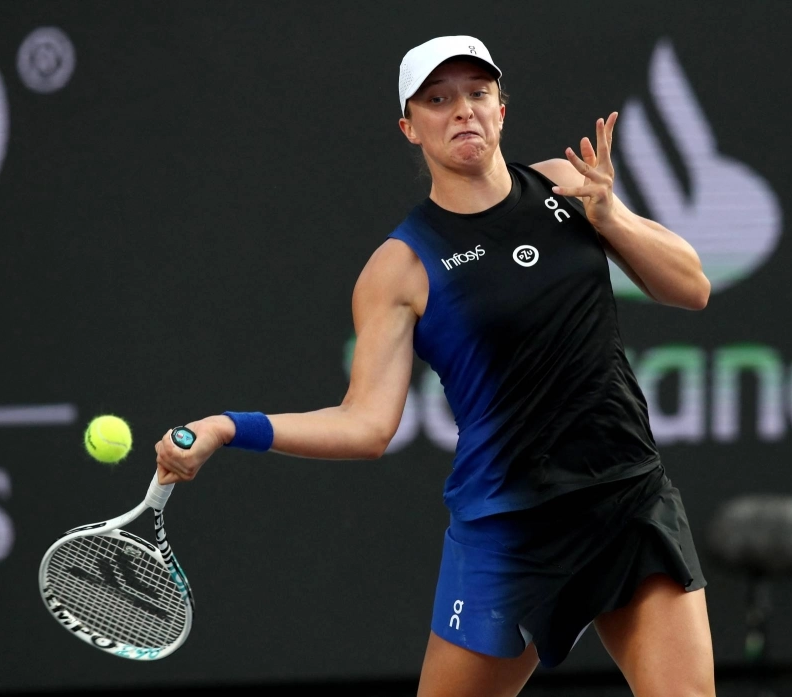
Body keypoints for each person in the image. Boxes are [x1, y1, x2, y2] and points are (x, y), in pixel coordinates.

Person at [155, 35, 715, 697]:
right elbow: (365, 425)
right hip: (510, 530)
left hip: (628, 500)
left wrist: (612, 216)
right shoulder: (400, 267)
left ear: (502, 108)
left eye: (477, 94)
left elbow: (693, 286)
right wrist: (229, 425)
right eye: (438, 99)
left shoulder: (569, 189)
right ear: (409, 127)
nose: (462, 111)